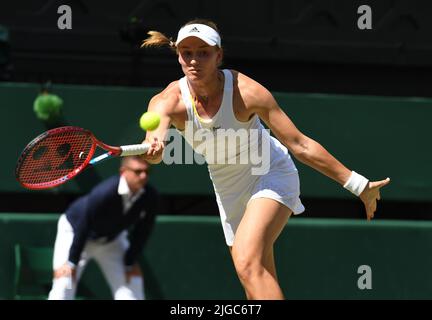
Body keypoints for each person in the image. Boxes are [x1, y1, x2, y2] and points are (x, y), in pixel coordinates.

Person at [139, 19, 391, 300]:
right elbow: (155, 146)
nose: (194, 60)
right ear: (178, 56)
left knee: (247, 263)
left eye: (203, 52)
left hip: (270, 172)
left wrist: (358, 185)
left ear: (219, 56)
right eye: (187, 52)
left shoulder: (247, 92)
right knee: (254, 281)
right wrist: (155, 150)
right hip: (228, 188)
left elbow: (300, 144)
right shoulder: (166, 102)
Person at [48, 156, 158, 300]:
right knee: (65, 282)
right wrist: (71, 262)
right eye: (138, 172)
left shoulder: (150, 196)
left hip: (111, 240)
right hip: (76, 233)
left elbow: (143, 230)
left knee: (132, 281)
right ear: (123, 172)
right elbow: (84, 223)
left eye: (147, 172)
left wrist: (130, 261)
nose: (143, 176)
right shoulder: (104, 192)